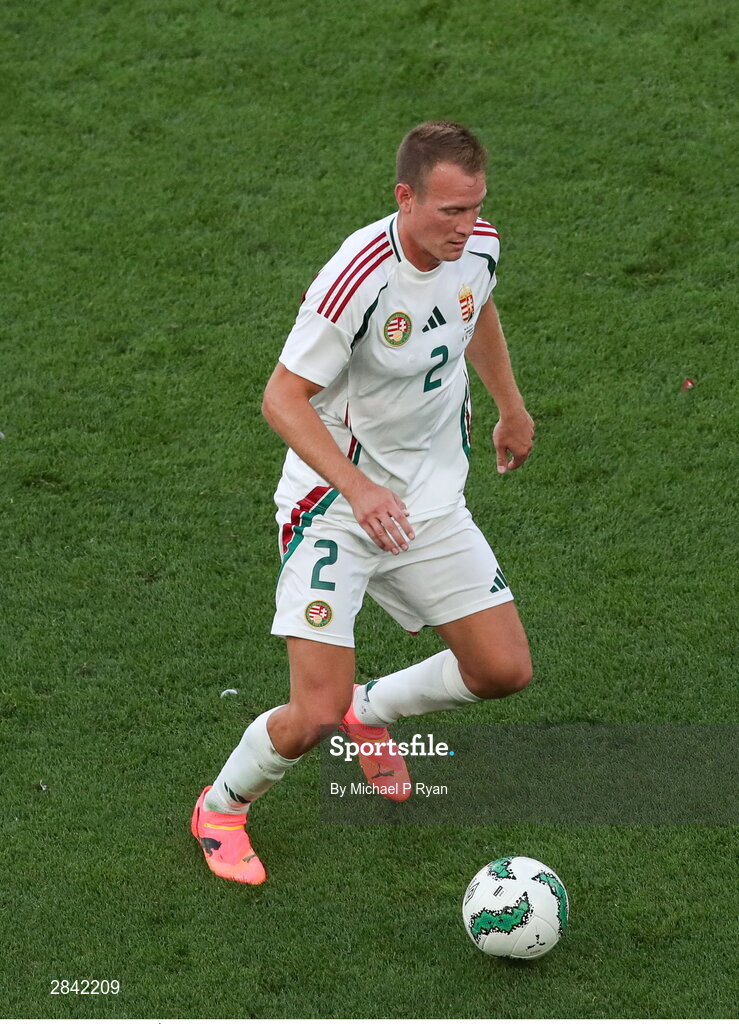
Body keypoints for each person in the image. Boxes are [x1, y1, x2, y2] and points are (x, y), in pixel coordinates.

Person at [191, 120, 535, 884]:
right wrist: (359, 487)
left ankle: (369, 710)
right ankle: (221, 806)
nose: (465, 226)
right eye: (448, 211)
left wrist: (508, 405)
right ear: (404, 197)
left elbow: (475, 311)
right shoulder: (358, 277)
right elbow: (281, 399)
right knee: (309, 713)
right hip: (335, 510)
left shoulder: (477, 246)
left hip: (429, 500)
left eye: (475, 207)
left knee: (502, 668)